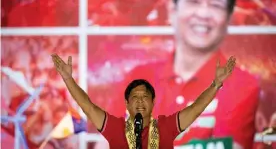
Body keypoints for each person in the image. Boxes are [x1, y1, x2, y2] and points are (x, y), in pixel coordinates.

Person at [106, 0, 260, 149]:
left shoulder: (242, 86)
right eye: (194, 1)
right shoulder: (138, 78)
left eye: (216, 4)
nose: (203, 13)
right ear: (172, 9)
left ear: (229, 17)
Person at [51, 53, 236, 148]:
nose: (140, 102)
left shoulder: (166, 127)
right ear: (126, 104)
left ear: (153, 103)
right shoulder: (115, 129)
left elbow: (196, 109)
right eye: (135, 98)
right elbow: (88, 108)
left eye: (145, 97)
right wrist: (68, 79)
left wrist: (216, 84)